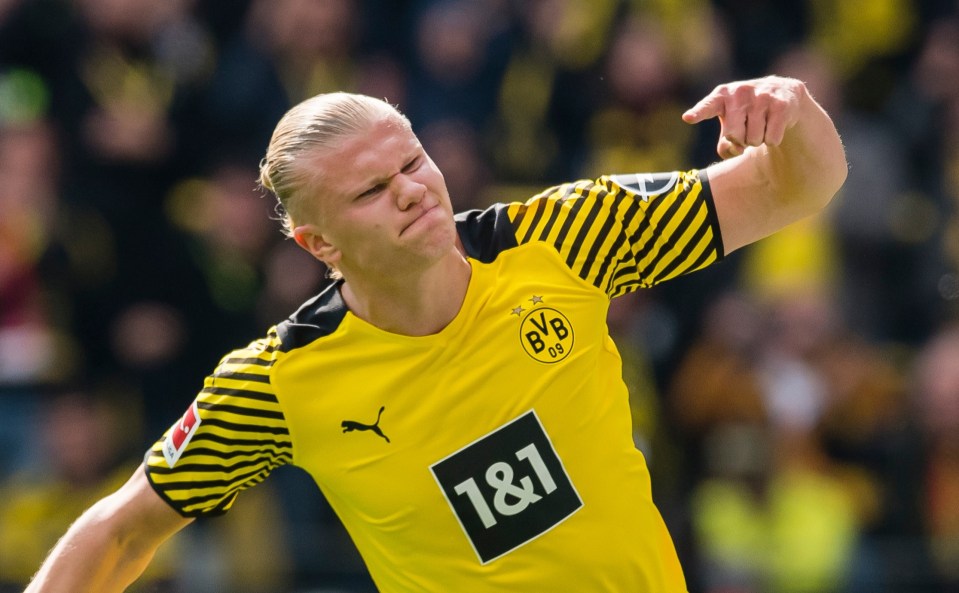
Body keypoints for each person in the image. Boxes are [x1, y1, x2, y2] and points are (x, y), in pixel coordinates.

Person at [25, 75, 847, 592]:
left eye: (414, 162)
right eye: (372, 190)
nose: (414, 191)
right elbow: (123, 526)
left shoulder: (565, 237)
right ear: (318, 244)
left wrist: (792, 110)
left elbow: (795, 190)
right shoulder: (275, 383)